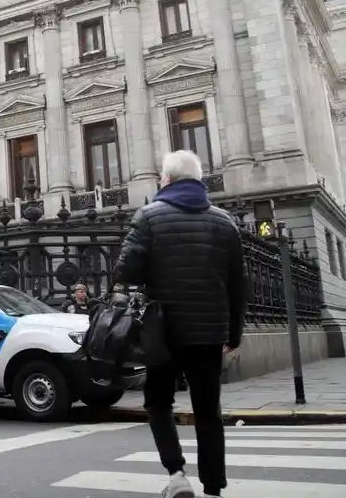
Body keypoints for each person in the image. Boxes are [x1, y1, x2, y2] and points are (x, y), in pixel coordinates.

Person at [112, 150, 247, 498]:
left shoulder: (150, 216)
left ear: (167, 180)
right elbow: (238, 284)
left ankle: (176, 474)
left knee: (158, 402)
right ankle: (214, 486)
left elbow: (126, 271)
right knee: (208, 410)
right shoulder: (224, 222)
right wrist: (234, 332)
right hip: (209, 332)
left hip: (164, 331)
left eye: (160, 176)